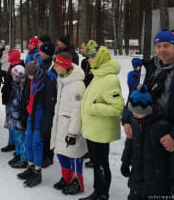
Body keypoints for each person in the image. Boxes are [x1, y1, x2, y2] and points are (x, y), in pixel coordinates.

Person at [122, 28, 174, 195]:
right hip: (149, 137)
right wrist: (126, 120)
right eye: (158, 46)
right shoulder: (150, 68)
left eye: (166, 46)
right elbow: (134, 96)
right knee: (147, 184)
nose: (162, 50)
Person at [80, 46, 124, 200]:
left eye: (91, 57)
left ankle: (103, 193)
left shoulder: (110, 79)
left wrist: (93, 107)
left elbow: (118, 107)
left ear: (99, 59)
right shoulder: (98, 75)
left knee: (101, 163)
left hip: (101, 131)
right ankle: (97, 191)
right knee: (96, 162)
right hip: (93, 129)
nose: (88, 60)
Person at [121, 88, 174, 199]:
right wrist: (125, 162)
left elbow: (173, 154)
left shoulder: (162, 127)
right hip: (136, 178)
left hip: (156, 183)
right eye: (133, 111)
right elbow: (129, 144)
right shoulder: (133, 122)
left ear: (147, 109)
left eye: (139, 112)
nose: (135, 114)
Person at [17, 59, 57, 188]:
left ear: (36, 72)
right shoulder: (33, 80)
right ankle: (30, 166)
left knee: (36, 144)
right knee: (28, 143)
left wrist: (46, 126)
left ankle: (37, 171)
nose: (28, 77)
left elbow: (49, 107)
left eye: (29, 75)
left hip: (40, 118)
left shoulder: (47, 82)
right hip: (31, 115)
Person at [51, 52, 87, 195]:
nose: (54, 67)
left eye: (57, 65)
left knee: (74, 156)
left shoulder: (77, 85)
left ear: (65, 66)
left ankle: (77, 182)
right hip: (60, 125)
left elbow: (77, 112)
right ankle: (66, 178)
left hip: (71, 129)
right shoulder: (62, 79)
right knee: (61, 154)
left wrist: (73, 132)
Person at [1, 49, 23, 152]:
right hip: (9, 97)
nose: (8, 56)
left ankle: (16, 146)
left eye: (10, 55)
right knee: (10, 122)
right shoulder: (11, 65)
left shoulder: (18, 67)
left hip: (13, 99)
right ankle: (11, 143)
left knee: (14, 123)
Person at [7, 65, 28, 169]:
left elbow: (21, 102)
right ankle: (19, 154)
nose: (13, 78)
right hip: (14, 115)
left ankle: (24, 158)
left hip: (19, 117)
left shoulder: (21, 86)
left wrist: (19, 114)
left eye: (14, 76)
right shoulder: (16, 84)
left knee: (21, 137)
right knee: (16, 136)